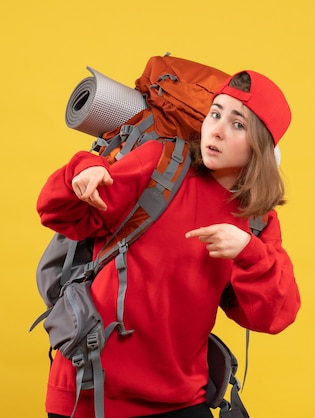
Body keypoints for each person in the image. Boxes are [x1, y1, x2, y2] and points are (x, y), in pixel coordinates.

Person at [37, 68, 301, 418]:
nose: (217, 130)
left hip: (181, 397)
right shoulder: (162, 163)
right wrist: (84, 170)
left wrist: (248, 253)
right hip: (91, 389)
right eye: (215, 114)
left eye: (238, 125)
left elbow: (274, 316)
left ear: (263, 148)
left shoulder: (256, 218)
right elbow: (56, 212)